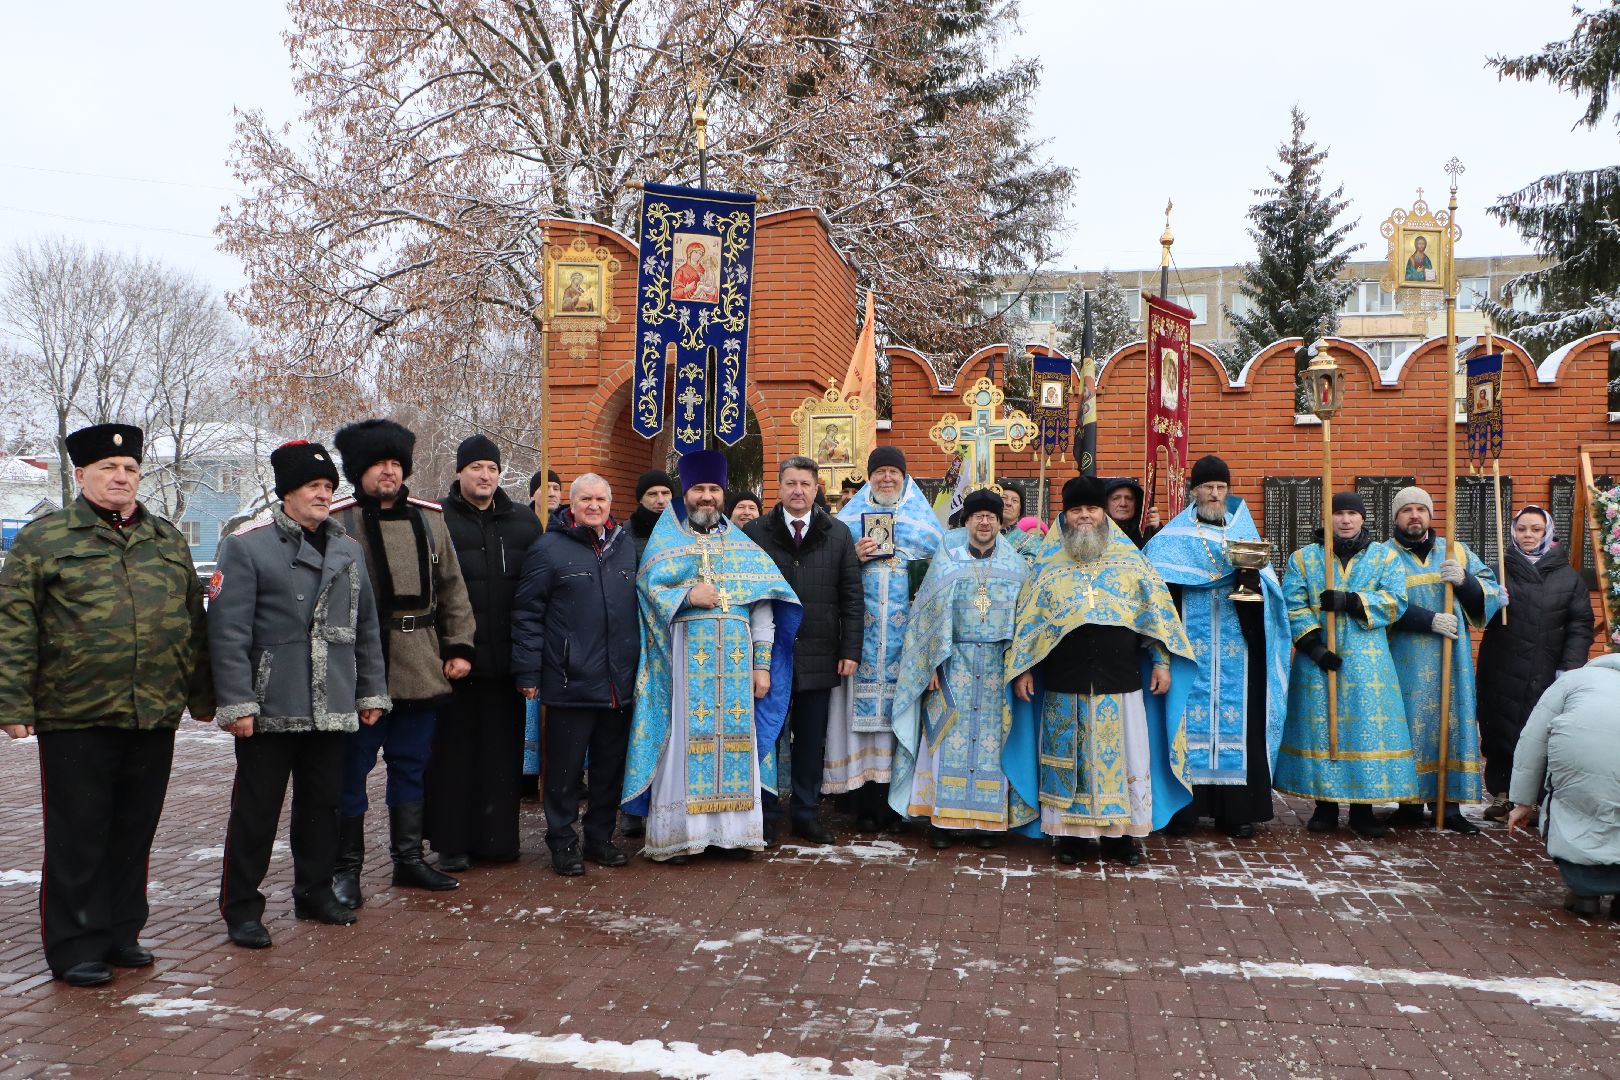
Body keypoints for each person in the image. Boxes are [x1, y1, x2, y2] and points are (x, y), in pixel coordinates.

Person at [0, 424, 213, 986]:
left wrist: (203, 695)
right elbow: (14, 625)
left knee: (134, 829)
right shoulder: (44, 540)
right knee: (78, 832)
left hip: (153, 709)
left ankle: (122, 931)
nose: (121, 478)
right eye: (108, 469)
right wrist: (12, 700)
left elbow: (193, 622)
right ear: (81, 475)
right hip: (75, 711)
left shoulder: (165, 539)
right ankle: (75, 945)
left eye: (131, 470)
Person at [211, 441, 389, 949]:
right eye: (313, 486)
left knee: (322, 806)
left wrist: (372, 690)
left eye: (329, 487)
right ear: (286, 492)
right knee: (256, 812)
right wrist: (238, 703)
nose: (323, 495)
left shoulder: (348, 549)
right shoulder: (248, 546)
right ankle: (242, 907)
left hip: (332, 700)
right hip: (271, 703)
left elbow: (367, 628)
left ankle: (314, 892)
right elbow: (227, 633)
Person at [621, 451, 801, 862]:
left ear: (723, 494)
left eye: (714, 489)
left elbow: (763, 608)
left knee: (738, 746)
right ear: (685, 493)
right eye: (699, 489)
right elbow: (646, 594)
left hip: (738, 670)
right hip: (683, 667)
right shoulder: (665, 542)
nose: (707, 497)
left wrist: (761, 667)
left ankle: (733, 835)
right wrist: (686, 596)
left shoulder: (744, 547)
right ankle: (683, 836)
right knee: (684, 747)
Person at [1005, 475, 1195, 866]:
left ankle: (1119, 838)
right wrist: (1023, 669)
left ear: (1103, 513)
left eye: (1092, 509)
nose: (1085, 516)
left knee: (1123, 758)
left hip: (1119, 678)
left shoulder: (1130, 562)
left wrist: (1161, 662)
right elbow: (1028, 622)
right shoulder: (1047, 566)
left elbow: (1154, 616)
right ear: (1065, 516)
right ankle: (1071, 837)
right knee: (1067, 759)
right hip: (1065, 679)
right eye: (1076, 510)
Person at [329, 419, 476, 906]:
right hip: (358, 670)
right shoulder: (336, 522)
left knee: (411, 767)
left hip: (420, 662)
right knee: (351, 771)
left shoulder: (430, 518)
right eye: (378, 465)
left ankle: (408, 861)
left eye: (395, 464)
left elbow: (452, 587)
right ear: (358, 471)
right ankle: (345, 869)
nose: (389, 473)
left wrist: (458, 647)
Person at [1143, 456, 1289, 839]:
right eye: (1208, 487)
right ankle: (1185, 810)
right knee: (1182, 722)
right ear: (1194, 491)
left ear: (1228, 491)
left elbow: (1272, 599)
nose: (1214, 493)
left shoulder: (1245, 536)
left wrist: (1250, 582)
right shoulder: (1171, 541)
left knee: (1239, 724)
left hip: (1237, 649)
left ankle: (1237, 812)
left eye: (1221, 488)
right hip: (1188, 648)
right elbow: (1157, 594)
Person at [512, 474, 639, 875]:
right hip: (570, 679)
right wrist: (528, 671)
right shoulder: (548, 550)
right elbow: (528, 614)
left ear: (610, 502)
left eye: (601, 498)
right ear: (572, 502)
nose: (594, 506)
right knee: (564, 771)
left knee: (609, 769)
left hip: (618, 683)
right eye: (586, 498)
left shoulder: (626, 548)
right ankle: (563, 841)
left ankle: (600, 838)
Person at [890, 487, 1031, 848]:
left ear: (1001, 522)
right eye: (977, 515)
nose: (984, 521)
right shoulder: (947, 560)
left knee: (993, 743)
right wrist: (929, 665)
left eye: (991, 516)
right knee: (945, 738)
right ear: (966, 520)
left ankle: (987, 824)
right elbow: (926, 619)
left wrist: (1023, 668)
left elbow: (1026, 622)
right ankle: (943, 821)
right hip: (954, 664)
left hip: (998, 667)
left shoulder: (1017, 565)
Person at [427, 435, 542, 870]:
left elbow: (535, 597)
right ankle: (451, 842)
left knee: (500, 757)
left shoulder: (523, 524)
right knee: (453, 758)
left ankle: (497, 838)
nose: (485, 475)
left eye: (492, 468)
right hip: (452, 663)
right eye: (476, 467)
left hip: (505, 664)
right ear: (460, 472)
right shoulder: (436, 520)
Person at [1273, 492, 1418, 838]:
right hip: (1317, 662)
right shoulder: (1304, 559)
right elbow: (1292, 604)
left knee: (1362, 734)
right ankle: (1324, 806)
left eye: (1353, 513)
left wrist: (1352, 601)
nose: (1346, 520)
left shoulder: (1384, 558)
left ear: (1363, 518)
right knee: (1322, 731)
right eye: (1339, 513)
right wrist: (1314, 646)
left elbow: (1397, 601)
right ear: (1328, 518)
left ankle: (1363, 810)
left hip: (1369, 664)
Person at [743, 456, 863, 845]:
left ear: (816, 489)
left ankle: (807, 813)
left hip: (818, 651)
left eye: (805, 484)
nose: (798, 491)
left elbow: (851, 598)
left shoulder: (838, 534)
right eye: (791, 483)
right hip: (769, 656)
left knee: (810, 740)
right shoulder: (755, 532)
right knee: (766, 736)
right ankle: (765, 814)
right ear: (779, 487)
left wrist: (850, 649)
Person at [830, 447, 946, 831]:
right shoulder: (845, 524)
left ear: (904, 477)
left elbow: (938, 581)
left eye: (893, 472)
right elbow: (828, 575)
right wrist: (853, 558)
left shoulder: (927, 527)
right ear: (869, 478)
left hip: (905, 643)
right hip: (859, 642)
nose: (886, 478)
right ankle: (861, 803)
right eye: (879, 472)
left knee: (900, 721)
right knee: (858, 726)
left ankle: (896, 807)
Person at [1381, 486, 1500, 833]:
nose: (1414, 516)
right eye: (1406, 510)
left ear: (1431, 515)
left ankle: (1449, 806)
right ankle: (1408, 804)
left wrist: (1465, 583)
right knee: (1407, 727)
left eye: (1421, 509)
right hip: (1404, 656)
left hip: (1452, 658)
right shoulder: (1383, 555)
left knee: (1453, 722)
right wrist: (1427, 619)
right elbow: (1379, 601)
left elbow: (1491, 591)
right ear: (1396, 517)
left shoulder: (1456, 550)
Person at [1477, 505, 1594, 820]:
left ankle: (1534, 797)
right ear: (1512, 531)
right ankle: (1502, 794)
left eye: (1535, 529)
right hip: (1501, 664)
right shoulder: (1497, 570)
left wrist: (1569, 668)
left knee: (1539, 732)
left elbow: (1580, 626)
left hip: (1546, 667)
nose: (1528, 535)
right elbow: (1474, 613)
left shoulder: (1568, 578)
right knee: (1499, 728)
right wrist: (1487, 598)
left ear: (1548, 533)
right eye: (1522, 529)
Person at [1508, 654, 1620, 918]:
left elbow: (1533, 740)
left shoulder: (1572, 680)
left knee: (1573, 809)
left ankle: (1584, 894)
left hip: (1578, 756)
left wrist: (1522, 802)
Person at [630, 469, 677, 564]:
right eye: (652, 494)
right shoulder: (623, 534)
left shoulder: (686, 530)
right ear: (640, 499)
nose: (661, 500)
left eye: (665, 493)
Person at [1102, 477, 1160, 548]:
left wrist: (1157, 530)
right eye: (1116, 498)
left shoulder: (1147, 531)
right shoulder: (1096, 531)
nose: (1123, 504)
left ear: (1136, 503)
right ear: (1106, 504)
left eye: (1129, 498)